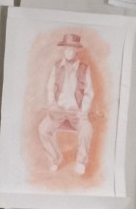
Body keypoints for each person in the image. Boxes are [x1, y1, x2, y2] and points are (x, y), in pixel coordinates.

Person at [38, 33, 94, 175]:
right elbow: (50, 88)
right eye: (66, 48)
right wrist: (52, 105)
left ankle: (81, 162)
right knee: (43, 129)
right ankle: (55, 158)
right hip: (59, 112)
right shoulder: (57, 67)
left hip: (76, 114)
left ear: (76, 50)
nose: (68, 51)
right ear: (63, 49)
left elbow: (88, 93)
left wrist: (83, 112)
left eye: (71, 49)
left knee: (87, 129)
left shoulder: (84, 68)